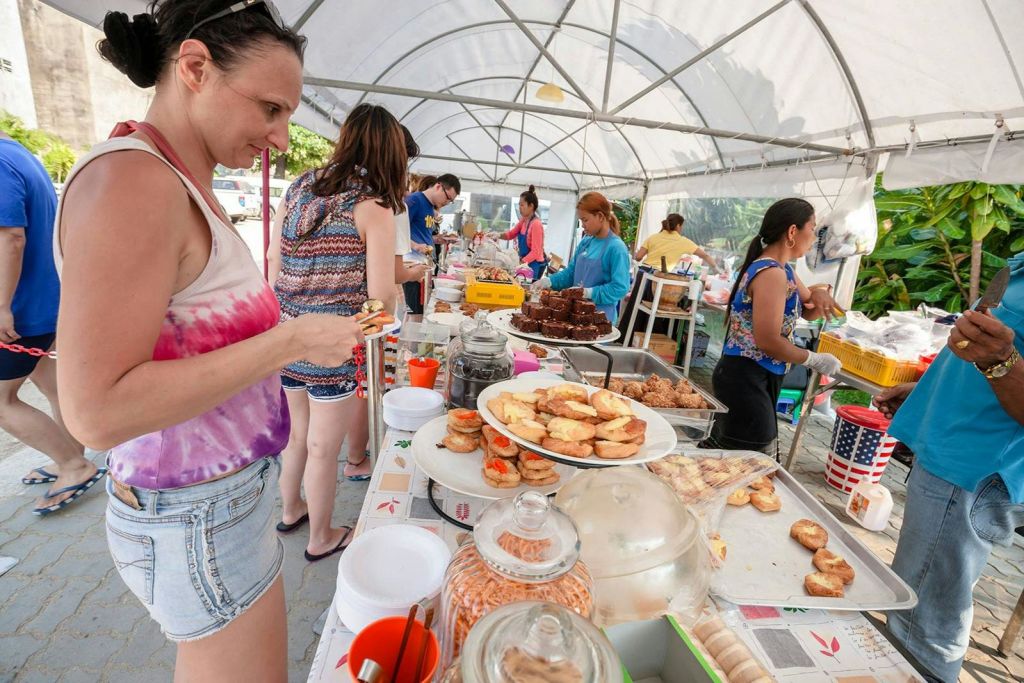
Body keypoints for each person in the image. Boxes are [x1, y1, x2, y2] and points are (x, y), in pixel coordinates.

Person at [55, 3, 363, 678]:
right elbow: (95, 410)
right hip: (197, 513)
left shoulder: (176, 179)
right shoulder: (135, 180)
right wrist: (289, 342)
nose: (283, 137)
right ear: (194, 67)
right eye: (271, 109)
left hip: (215, 504)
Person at [872, 253, 1023, 683]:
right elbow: (977, 362)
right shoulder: (1020, 263)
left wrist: (1002, 361)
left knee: (923, 623)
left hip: (972, 474)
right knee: (913, 605)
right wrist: (927, 392)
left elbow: (1002, 360)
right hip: (950, 458)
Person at [268, 104, 402, 559]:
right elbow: (381, 299)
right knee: (325, 445)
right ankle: (322, 536)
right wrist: (376, 329)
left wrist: (286, 313)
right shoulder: (373, 205)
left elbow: (273, 262)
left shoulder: (300, 186)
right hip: (333, 343)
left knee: (296, 434)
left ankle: (291, 510)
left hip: (285, 334)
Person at [0, 132, 101, 515]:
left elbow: (10, 237)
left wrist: (1, 306)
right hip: (46, 300)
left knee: (2, 402)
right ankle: (70, 454)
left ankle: (74, 466)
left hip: (21, 310)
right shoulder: (19, 154)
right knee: (53, 385)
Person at [702, 198, 841, 456]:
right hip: (745, 377)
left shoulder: (783, 270)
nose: (814, 237)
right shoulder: (771, 274)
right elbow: (768, 341)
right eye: (812, 228)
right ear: (792, 231)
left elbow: (808, 306)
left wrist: (820, 293)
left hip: (760, 375)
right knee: (749, 458)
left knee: (743, 455)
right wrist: (813, 359)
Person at [531, 191, 631, 324]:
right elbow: (571, 273)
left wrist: (589, 293)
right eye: (581, 220)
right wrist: (548, 281)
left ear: (600, 216)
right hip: (576, 316)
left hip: (599, 320)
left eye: (585, 220)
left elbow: (620, 288)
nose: (583, 225)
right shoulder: (586, 242)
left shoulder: (616, 248)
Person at [401, 174, 460, 314]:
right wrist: (415, 246)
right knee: (416, 309)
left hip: (423, 266)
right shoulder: (414, 201)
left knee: (423, 307)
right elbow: (395, 232)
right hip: (411, 265)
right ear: (438, 186)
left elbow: (421, 233)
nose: (447, 203)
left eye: (450, 201)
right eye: (447, 198)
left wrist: (437, 240)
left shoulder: (429, 207)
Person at [634, 213, 719, 273]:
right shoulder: (683, 241)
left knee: (637, 298)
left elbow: (638, 257)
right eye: (682, 226)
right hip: (658, 277)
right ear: (678, 226)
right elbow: (705, 255)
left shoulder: (653, 237)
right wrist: (715, 268)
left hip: (642, 273)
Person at [500, 185, 546, 280]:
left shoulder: (536, 224)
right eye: (519, 205)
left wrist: (519, 262)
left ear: (531, 206)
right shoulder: (524, 221)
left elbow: (536, 252)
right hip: (524, 263)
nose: (519, 208)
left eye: (522, 205)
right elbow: (511, 234)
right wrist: (498, 235)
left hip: (533, 265)